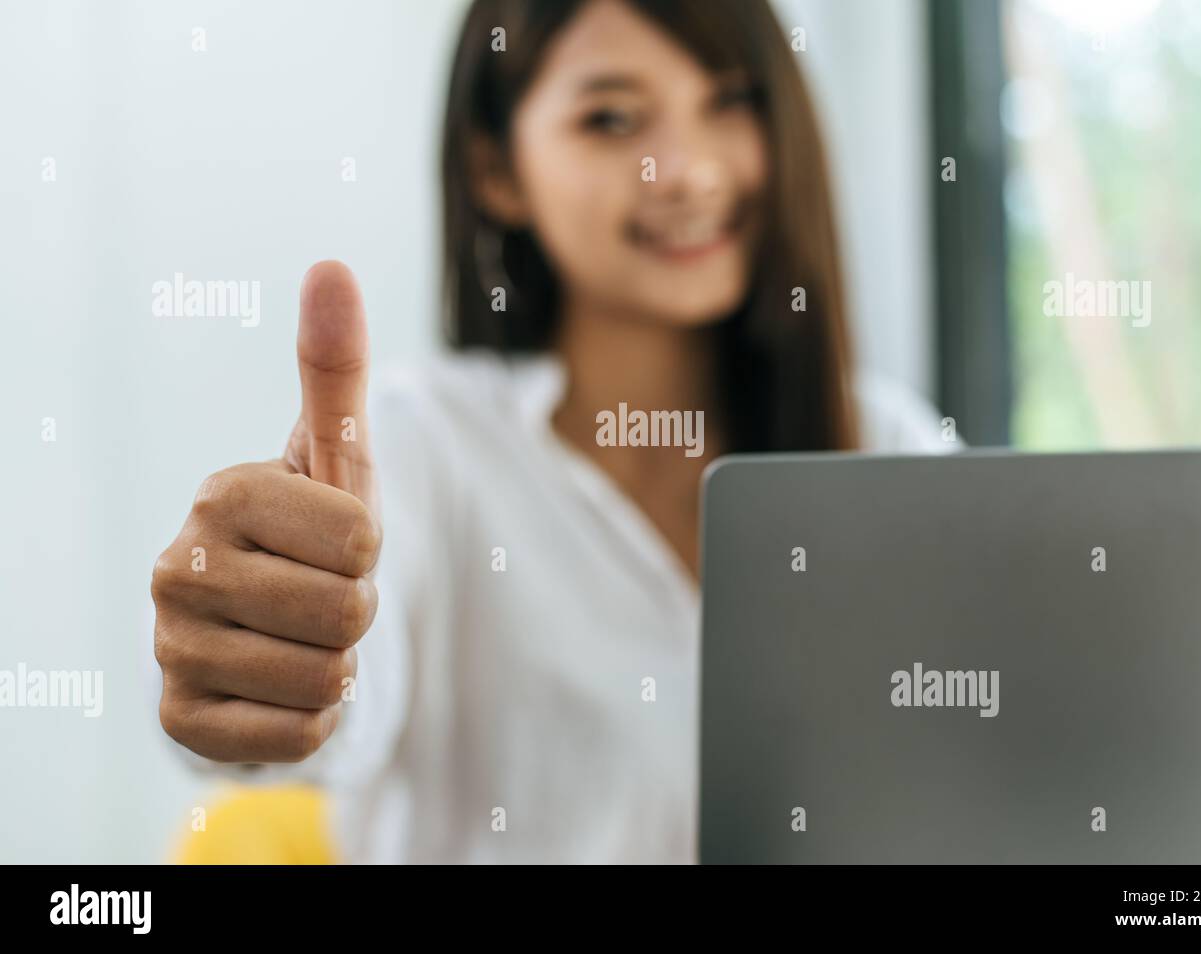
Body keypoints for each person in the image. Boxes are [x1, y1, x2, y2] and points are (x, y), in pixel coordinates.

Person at [150, 0, 957, 863]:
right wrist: (256, 660)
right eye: (611, 118)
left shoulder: (887, 442)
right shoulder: (425, 444)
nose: (686, 172)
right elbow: (331, 706)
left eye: (731, 101)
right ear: (497, 167)